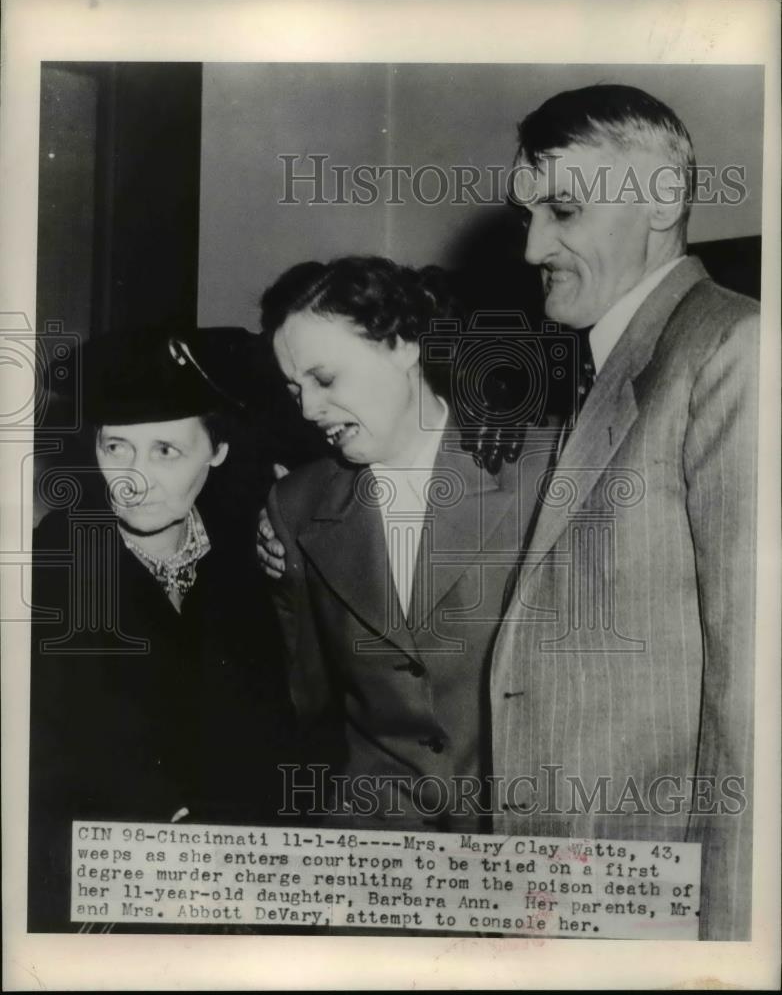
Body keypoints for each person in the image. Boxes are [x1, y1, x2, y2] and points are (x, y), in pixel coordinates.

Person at [258, 85, 759, 941]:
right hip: (539, 891)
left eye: (564, 208)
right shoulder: (608, 372)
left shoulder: (727, 349)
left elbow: (752, 697)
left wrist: (733, 940)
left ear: (664, 199)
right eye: (531, 214)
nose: (532, 245)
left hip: (630, 892)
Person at [261, 256, 551, 833]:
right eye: (294, 389)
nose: (308, 409)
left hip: (525, 843)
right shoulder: (294, 507)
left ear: (400, 344)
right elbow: (309, 702)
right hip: (375, 856)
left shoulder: (543, 466)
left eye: (324, 379)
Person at [29, 326, 297, 932]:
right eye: (116, 447)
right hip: (107, 895)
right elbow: (59, 758)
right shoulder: (56, 563)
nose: (132, 478)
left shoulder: (250, 552)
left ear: (219, 451)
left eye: (166, 451)